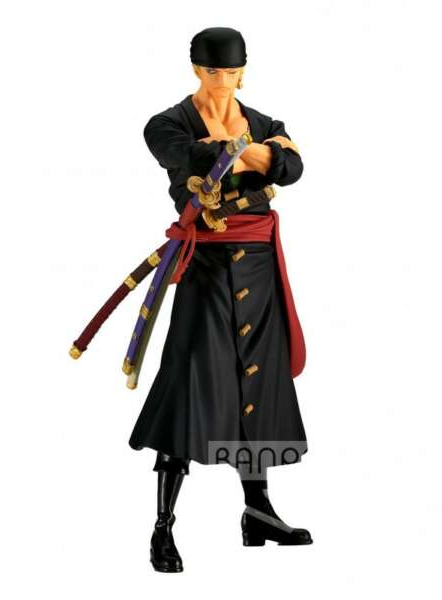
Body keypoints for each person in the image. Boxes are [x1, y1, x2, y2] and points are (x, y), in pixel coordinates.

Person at [129, 27, 312, 573]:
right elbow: (189, 158)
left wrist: (245, 154)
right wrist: (259, 156)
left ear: (243, 71)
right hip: (205, 268)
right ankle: (163, 526)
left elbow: (293, 169)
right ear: (196, 70)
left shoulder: (264, 121)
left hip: (258, 262)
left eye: (231, 71)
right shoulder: (166, 123)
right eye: (213, 71)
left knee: (257, 377)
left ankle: (259, 511)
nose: (223, 80)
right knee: (188, 382)